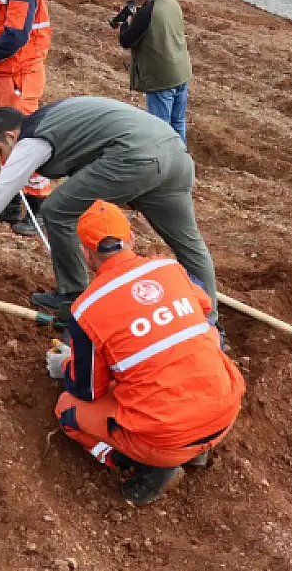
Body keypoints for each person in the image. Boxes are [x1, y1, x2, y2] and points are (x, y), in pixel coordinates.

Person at [0, 97, 219, 326]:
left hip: (135, 155)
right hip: (174, 153)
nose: (3, 158)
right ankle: (209, 322)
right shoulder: (59, 118)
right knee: (189, 245)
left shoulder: (32, 138)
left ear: (10, 136)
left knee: (57, 210)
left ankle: (74, 294)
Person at [44, 200, 244, 507]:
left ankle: (145, 467)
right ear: (132, 239)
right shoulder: (170, 268)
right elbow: (205, 312)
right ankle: (198, 451)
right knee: (199, 342)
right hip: (225, 411)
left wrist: (67, 364)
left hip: (166, 438)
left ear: (85, 253)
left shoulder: (86, 309)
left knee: (67, 410)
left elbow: (86, 389)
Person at [114, 0, 193, 142]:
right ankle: (180, 161)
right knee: (178, 121)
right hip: (181, 73)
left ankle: (164, 164)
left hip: (161, 79)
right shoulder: (173, 4)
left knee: (161, 127)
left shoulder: (148, 11)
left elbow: (126, 41)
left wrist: (125, 24)